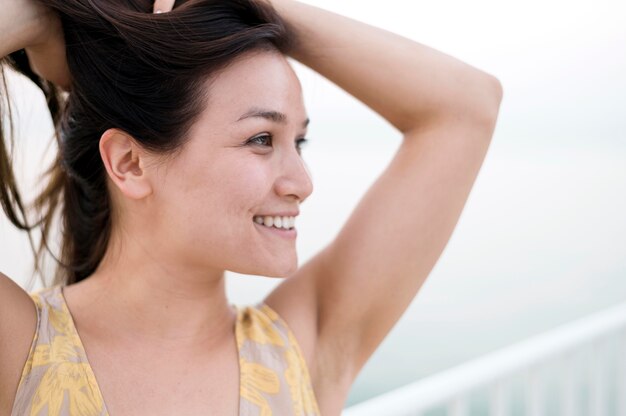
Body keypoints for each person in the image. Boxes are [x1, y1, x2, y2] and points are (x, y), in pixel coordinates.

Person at [0, 0, 503, 414]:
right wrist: (41, 14)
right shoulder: (21, 349)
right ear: (130, 163)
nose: (302, 184)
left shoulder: (298, 354)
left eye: (299, 142)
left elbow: (467, 106)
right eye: (262, 139)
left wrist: (252, 4)